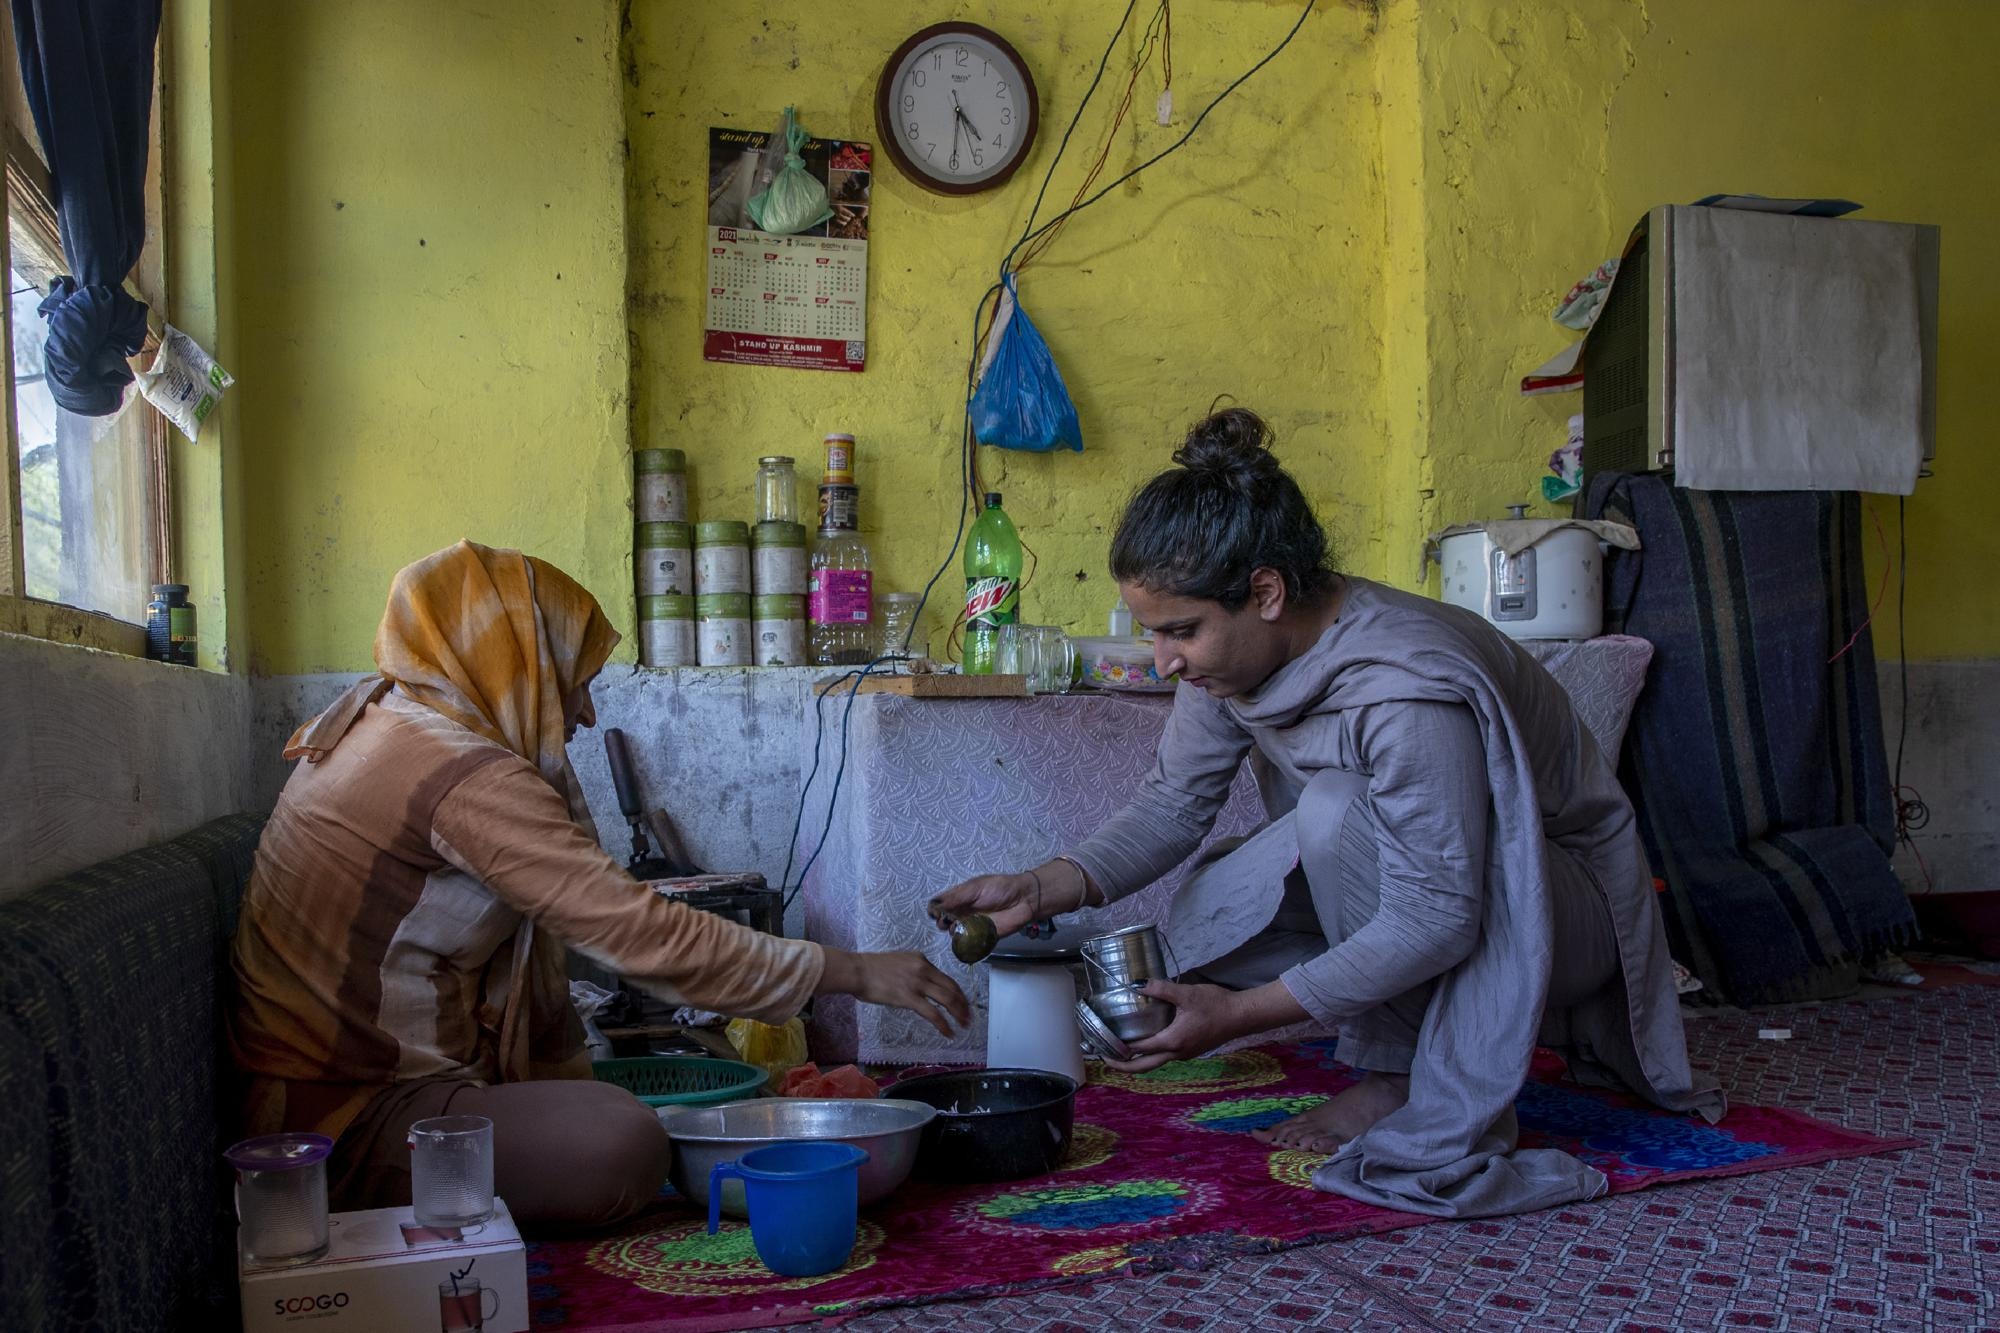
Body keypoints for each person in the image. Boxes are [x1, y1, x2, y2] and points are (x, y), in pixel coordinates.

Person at [931, 409, 1722, 1219]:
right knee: (1214, 902)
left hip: (1553, 916)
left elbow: (1439, 915)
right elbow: (1173, 804)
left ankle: (1404, 1076)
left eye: (1180, 632)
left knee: (1335, 809)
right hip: (1435, 883)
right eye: (1152, 633)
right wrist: (1038, 888)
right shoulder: (1232, 665)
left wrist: (1240, 1015)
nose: (1164, 660)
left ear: (1266, 592)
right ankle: (1393, 1049)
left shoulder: (1406, 685)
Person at [231, 540, 968, 1232]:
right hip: (340, 1131)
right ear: (517, 662)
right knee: (626, 1142)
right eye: (575, 680)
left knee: (624, 1095)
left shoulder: (388, 721)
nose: (584, 712)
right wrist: (856, 972)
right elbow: (639, 933)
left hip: (325, 1100)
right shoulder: (454, 770)